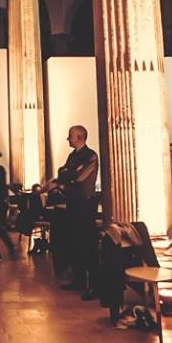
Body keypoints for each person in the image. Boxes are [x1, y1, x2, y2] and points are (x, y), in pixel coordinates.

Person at [48, 125, 99, 298]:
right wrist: (68, 174)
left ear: (79, 137)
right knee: (74, 243)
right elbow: (62, 173)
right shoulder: (72, 156)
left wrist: (68, 176)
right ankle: (79, 279)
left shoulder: (91, 155)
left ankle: (94, 285)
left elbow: (79, 177)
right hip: (72, 203)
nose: (67, 139)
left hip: (85, 205)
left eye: (70, 136)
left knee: (88, 244)